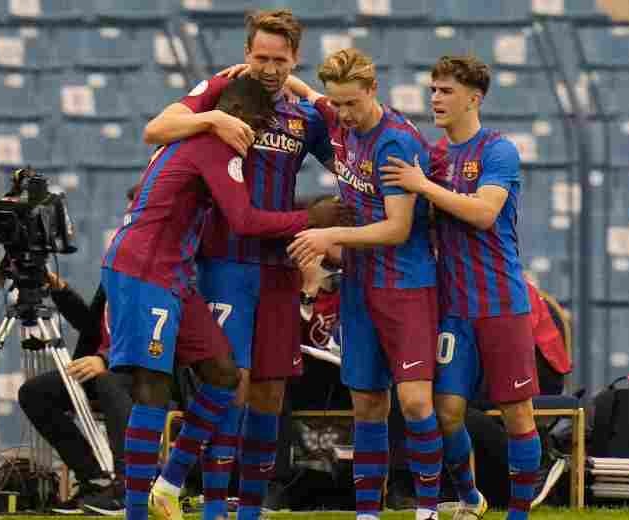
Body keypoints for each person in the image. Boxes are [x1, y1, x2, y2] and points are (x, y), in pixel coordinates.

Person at [102, 76, 341, 520]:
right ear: (237, 117)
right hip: (143, 269)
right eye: (249, 123)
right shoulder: (215, 144)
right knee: (152, 386)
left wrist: (307, 93)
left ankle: (170, 480)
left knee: (223, 375)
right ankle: (139, 509)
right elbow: (245, 220)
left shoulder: (194, 133)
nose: (250, 134)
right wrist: (309, 218)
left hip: (175, 274)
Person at [379, 55, 541, 520]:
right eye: (432, 90)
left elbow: (484, 213)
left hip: (500, 303)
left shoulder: (498, 151)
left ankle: (519, 514)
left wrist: (423, 187)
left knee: (518, 415)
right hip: (454, 309)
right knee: (446, 412)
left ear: (475, 98)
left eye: (446, 91)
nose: (436, 99)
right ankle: (471, 498)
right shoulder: (431, 157)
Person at [284, 48, 442, 520]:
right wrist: (272, 76)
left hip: (406, 284)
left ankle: (428, 509)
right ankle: (367, 513)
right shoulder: (338, 117)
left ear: (373, 90)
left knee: (414, 402)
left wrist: (328, 233)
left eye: (352, 103)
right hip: (359, 285)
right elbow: (309, 94)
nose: (345, 114)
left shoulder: (396, 142)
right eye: (339, 104)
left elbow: (397, 227)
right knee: (367, 402)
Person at [17, 271, 129, 516]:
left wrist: (106, 359)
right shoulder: (115, 272)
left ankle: (127, 488)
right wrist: (60, 289)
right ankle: (94, 480)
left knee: (108, 381)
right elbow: (90, 324)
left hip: (141, 373)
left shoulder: (156, 274)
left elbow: (156, 330)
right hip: (103, 370)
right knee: (35, 393)